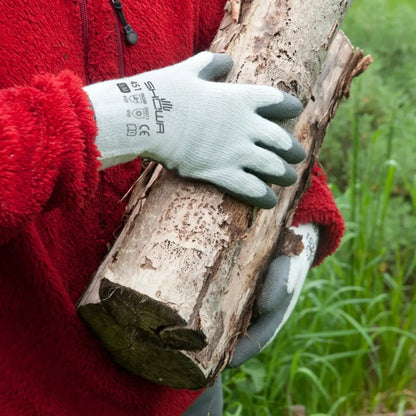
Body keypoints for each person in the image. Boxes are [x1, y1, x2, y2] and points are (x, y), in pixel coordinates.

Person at [0, 1, 344, 415]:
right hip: (29, 387)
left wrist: (299, 213)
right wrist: (119, 117)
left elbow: (239, 53)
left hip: (181, 375)